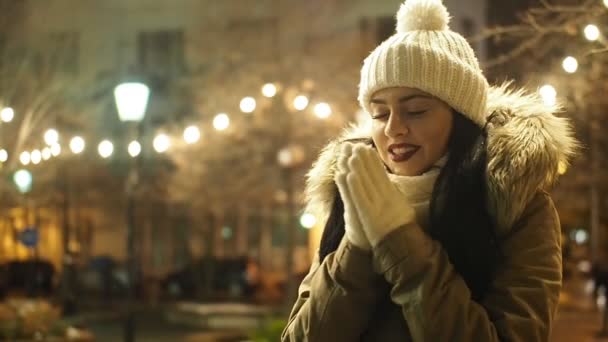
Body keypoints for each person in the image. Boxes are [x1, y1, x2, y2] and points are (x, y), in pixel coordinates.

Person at [281, 0, 578, 340]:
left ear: (461, 117)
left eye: (416, 110)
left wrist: (397, 238)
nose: (394, 128)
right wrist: (358, 246)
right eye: (379, 114)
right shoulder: (353, 196)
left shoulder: (516, 205)